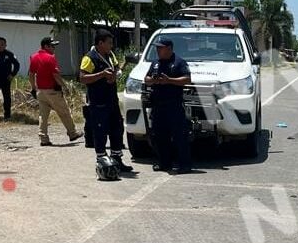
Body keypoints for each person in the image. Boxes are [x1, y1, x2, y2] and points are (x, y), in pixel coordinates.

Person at [79, 29, 133, 180]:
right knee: (100, 131)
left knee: (117, 128)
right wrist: (102, 75)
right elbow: (83, 78)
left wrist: (114, 75)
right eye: (109, 43)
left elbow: (116, 69)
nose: (111, 45)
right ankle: (102, 160)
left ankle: (117, 159)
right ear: (100, 43)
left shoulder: (110, 55)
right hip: (98, 101)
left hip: (112, 99)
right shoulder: (89, 58)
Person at [144, 38, 192, 174]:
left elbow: (187, 79)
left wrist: (169, 81)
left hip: (174, 105)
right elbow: (146, 79)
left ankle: (185, 165)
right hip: (158, 105)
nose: (158, 50)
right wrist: (153, 80)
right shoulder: (155, 63)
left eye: (161, 48)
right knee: (159, 136)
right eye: (157, 48)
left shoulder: (179, 62)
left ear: (169, 48)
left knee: (179, 137)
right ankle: (164, 163)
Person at [28, 37, 82, 147]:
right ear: (46, 46)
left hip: (41, 91)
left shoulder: (34, 57)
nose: (54, 48)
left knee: (43, 115)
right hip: (52, 91)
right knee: (64, 112)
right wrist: (65, 86)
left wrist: (34, 88)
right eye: (52, 46)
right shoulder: (50, 58)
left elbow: (31, 74)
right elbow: (56, 75)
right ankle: (72, 133)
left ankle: (43, 138)